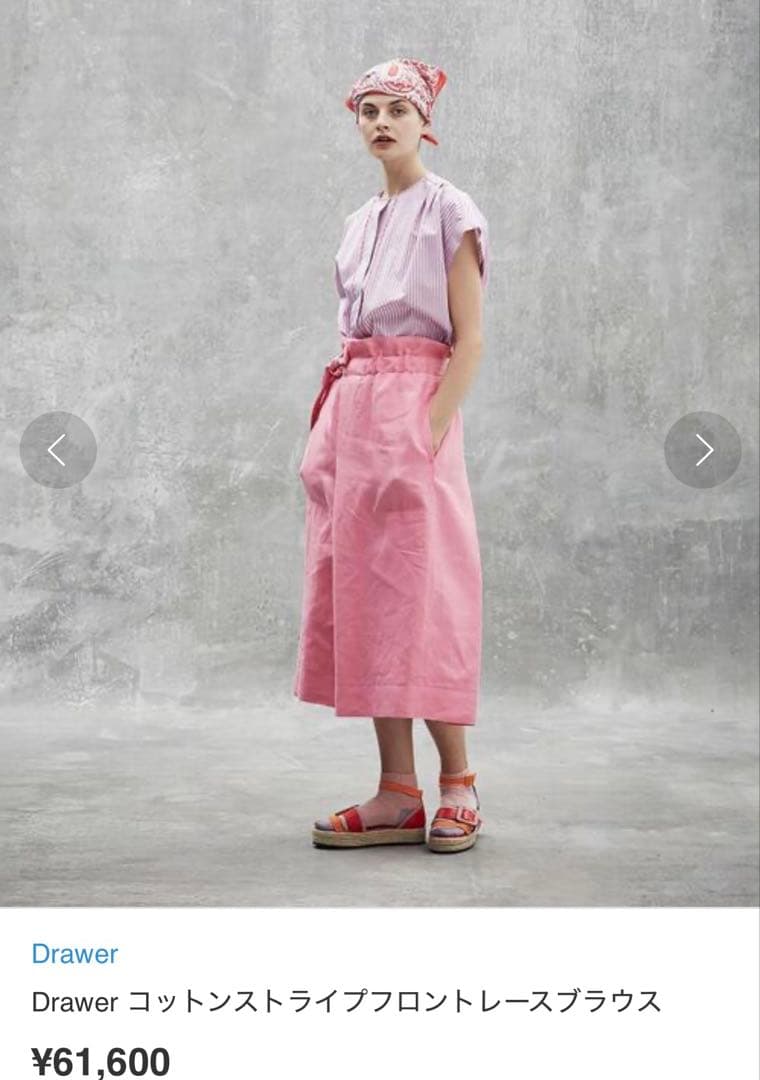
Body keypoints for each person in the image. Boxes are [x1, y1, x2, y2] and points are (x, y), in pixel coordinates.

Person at [294, 58, 490, 854]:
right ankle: (397, 791)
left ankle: (459, 785)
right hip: (353, 413)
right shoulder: (357, 221)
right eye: (368, 110)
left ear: (424, 122)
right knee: (368, 599)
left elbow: (470, 341)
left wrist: (426, 432)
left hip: (413, 406)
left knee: (426, 597)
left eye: (396, 110)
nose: (380, 122)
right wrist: (329, 440)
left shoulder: (450, 209)